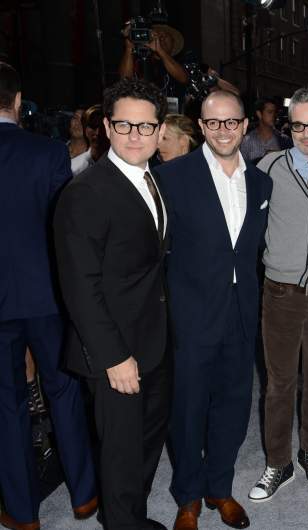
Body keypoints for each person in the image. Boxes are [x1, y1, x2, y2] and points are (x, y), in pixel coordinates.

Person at [54, 78, 171, 530]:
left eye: (146, 126)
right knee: (121, 455)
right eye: (125, 125)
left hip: (153, 340)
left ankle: (127, 518)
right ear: (106, 127)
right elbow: (80, 287)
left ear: (161, 130)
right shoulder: (85, 193)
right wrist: (113, 357)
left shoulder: (149, 178)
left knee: (143, 445)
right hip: (115, 353)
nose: (136, 136)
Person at [158, 90, 271, 530]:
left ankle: (219, 488)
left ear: (244, 126)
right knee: (186, 409)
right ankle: (187, 497)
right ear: (201, 127)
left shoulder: (263, 182)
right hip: (190, 314)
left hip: (241, 313)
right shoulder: (173, 177)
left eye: (231, 122)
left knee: (234, 405)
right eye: (214, 122)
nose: (223, 129)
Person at [0, 61, 97, 530]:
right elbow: (65, 228)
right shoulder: (48, 153)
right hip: (44, 295)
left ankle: (22, 513)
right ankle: (83, 495)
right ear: (18, 102)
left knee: (6, 402)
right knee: (63, 391)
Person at [248, 86, 308, 502]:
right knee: (279, 382)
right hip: (281, 292)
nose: (307, 133)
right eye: (299, 125)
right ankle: (278, 462)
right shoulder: (268, 166)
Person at [119, 22, 189, 97]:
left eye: (166, 36)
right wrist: (129, 48)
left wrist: (160, 50)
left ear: (173, 41)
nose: (161, 38)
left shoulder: (180, 62)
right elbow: (125, 80)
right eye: (158, 35)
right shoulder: (140, 61)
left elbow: (183, 78)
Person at [240, 97, 292, 163]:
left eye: (275, 112)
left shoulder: (284, 140)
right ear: (259, 114)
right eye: (270, 112)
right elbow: (242, 168)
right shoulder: (247, 141)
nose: (273, 115)